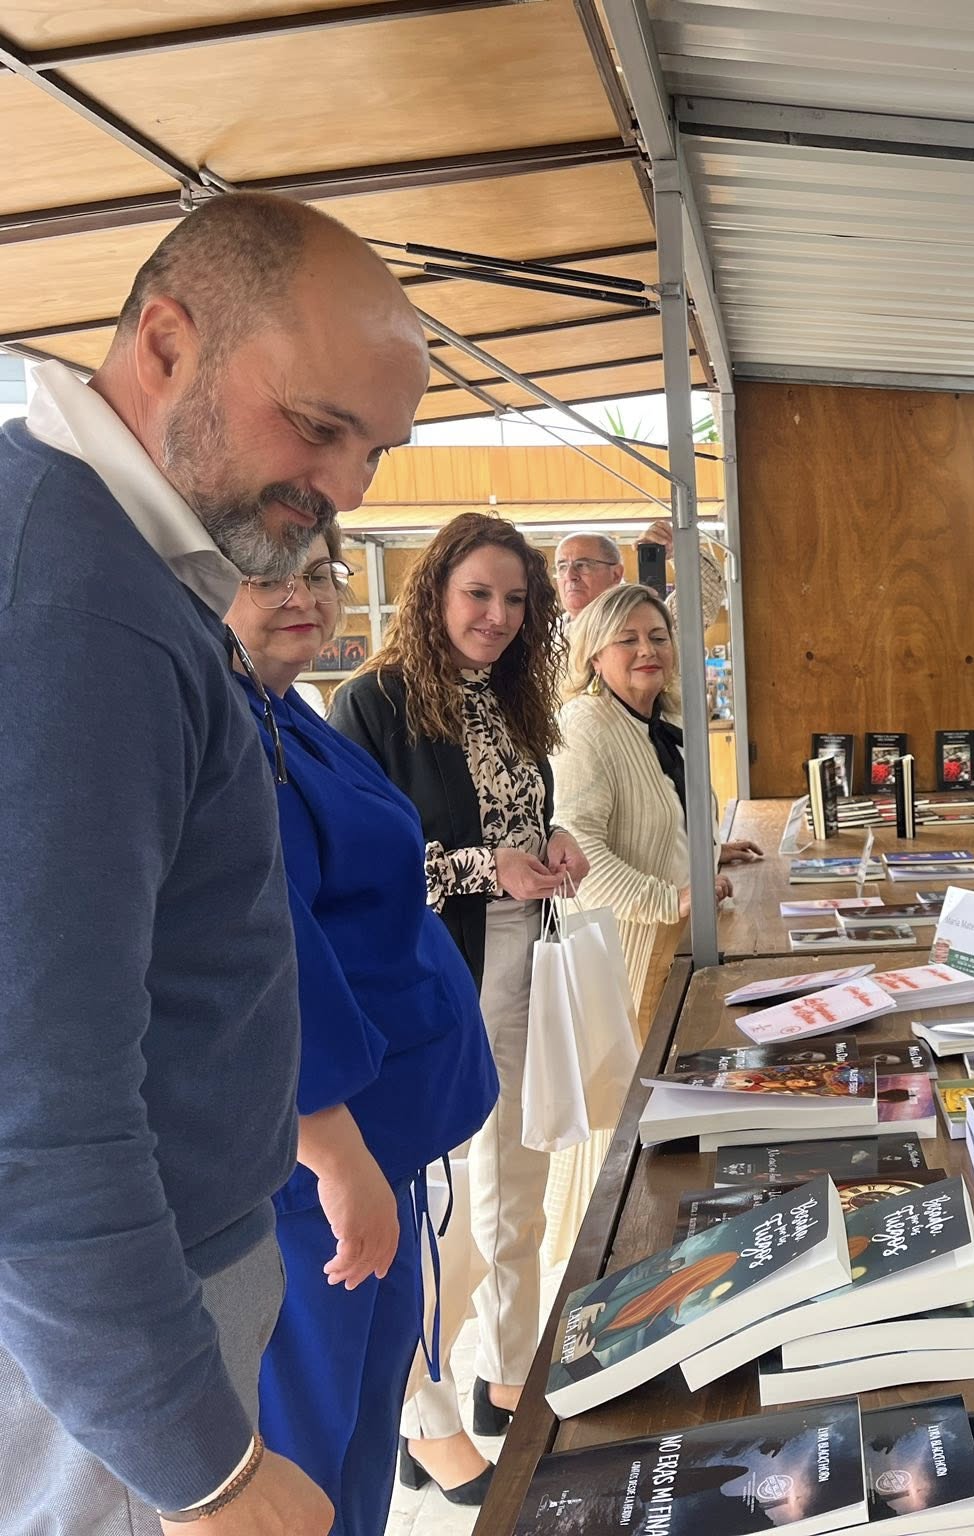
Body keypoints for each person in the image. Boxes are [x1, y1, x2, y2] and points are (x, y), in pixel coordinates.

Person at [0, 192, 425, 1534]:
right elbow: (30, 1092)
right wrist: (205, 1469)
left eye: (374, 451)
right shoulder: (73, 603)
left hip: (158, 1292)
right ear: (168, 343)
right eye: (317, 427)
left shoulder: (114, 566)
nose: (344, 492)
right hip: (114, 1343)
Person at [225, 530, 498, 1527]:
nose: (302, 595)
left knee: (362, 1432)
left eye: (319, 572)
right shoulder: (224, 733)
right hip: (315, 1175)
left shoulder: (284, 709)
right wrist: (333, 1155)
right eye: (268, 574)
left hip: (383, 1143)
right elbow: (259, 955)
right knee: (307, 1444)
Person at [330, 512, 589, 1495]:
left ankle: (506, 1370)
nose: (496, 616)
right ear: (434, 589)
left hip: (530, 959)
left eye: (515, 600)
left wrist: (553, 839)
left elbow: (520, 816)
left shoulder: (514, 700)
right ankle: (424, 1413)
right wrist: (492, 868)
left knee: (516, 1193)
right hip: (440, 971)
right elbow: (371, 869)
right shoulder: (374, 703)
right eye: (478, 594)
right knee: (439, 1208)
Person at [555, 582, 746, 1015]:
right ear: (594, 656)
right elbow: (578, 850)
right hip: (627, 955)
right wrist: (669, 899)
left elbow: (660, 811)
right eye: (627, 639)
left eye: (658, 638)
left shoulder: (664, 717)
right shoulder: (584, 726)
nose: (647, 650)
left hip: (679, 940)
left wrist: (709, 849)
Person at [554, 530, 624, 617]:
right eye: (563, 567)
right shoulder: (547, 629)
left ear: (616, 575)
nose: (569, 576)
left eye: (582, 565)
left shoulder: (635, 626)